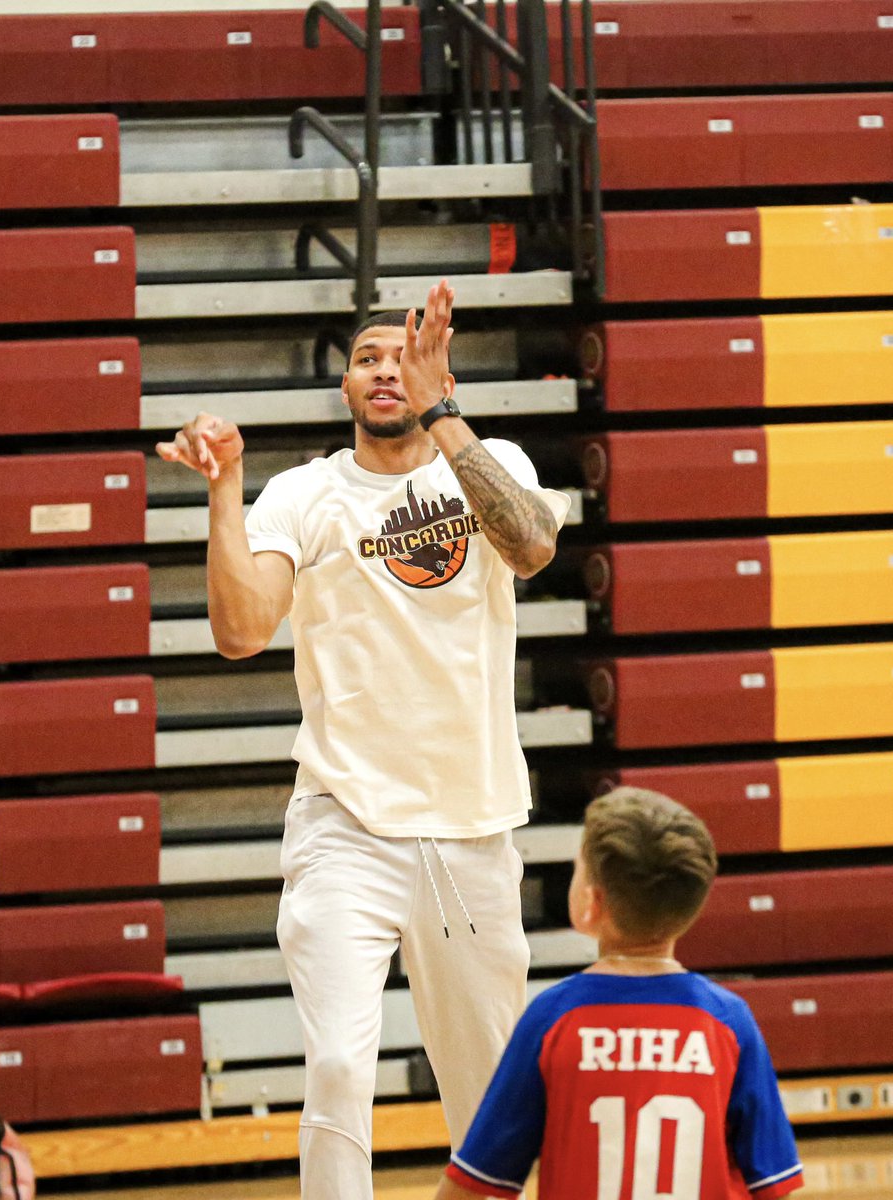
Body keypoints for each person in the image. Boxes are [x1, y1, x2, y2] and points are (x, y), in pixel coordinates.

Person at [156, 280, 572, 1200]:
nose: (385, 370)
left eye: (402, 356)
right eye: (368, 359)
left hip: (471, 832)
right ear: (345, 385)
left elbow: (535, 545)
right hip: (345, 827)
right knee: (340, 1070)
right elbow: (239, 631)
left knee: (489, 1101)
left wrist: (444, 410)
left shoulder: (490, 459)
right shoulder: (304, 494)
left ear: (435, 370)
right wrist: (225, 492)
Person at [437, 786, 804, 1200]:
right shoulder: (729, 1021)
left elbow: (471, 1183)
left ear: (592, 903)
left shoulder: (553, 1018)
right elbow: (774, 1188)